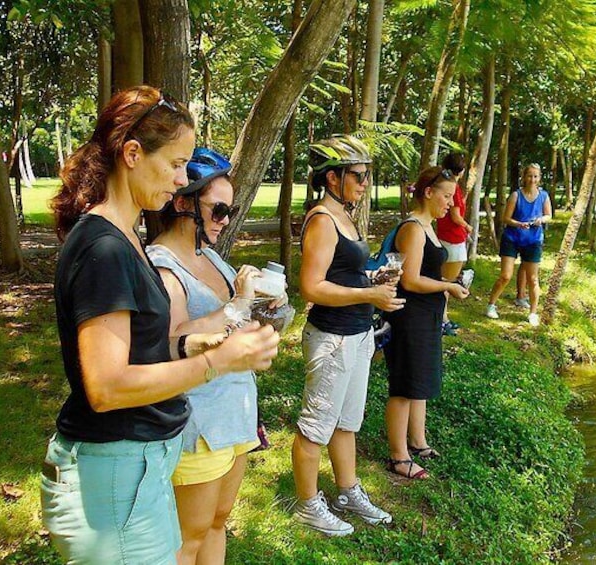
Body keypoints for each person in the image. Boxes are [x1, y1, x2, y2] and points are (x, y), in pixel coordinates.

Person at [42, 86, 280, 564]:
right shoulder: (105, 247)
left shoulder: (125, 237)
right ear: (132, 154)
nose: (180, 180)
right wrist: (216, 362)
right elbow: (107, 387)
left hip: (135, 469)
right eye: (175, 164)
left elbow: (140, 349)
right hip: (113, 477)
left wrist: (193, 343)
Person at [146, 148, 283, 565]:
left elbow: (233, 319)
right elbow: (172, 341)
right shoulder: (163, 265)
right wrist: (237, 306)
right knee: (188, 537)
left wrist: (265, 306)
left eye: (231, 209)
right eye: (218, 209)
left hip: (235, 412)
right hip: (198, 421)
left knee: (219, 521)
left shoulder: (211, 256)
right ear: (183, 203)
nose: (225, 220)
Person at [292, 135, 404, 536]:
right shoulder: (322, 219)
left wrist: (372, 280)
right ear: (333, 177)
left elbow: (343, 272)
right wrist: (368, 293)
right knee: (315, 426)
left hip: (358, 334)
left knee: (346, 423)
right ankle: (307, 504)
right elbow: (311, 286)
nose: (364, 184)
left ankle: (347, 491)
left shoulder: (345, 214)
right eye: (358, 176)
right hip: (332, 336)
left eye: (366, 176)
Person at [383, 166, 469, 479]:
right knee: (405, 386)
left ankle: (417, 442)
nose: (451, 203)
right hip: (410, 316)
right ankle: (398, 456)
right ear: (428, 193)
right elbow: (412, 280)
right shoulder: (413, 228)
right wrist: (448, 285)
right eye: (447, 196)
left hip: (427, 315)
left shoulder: (430, 227)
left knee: (418, 382)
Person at [485, 163, 552, 326]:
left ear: (539, 178)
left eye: (536, 176)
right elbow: (505, 218)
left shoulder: (544, 196)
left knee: (533, 279)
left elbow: (548, 215)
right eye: (530, 176)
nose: (532, 179)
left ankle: (533, 313)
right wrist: (518, 224)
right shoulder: (516, 195)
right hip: (512, 238)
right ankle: (491, 305)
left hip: (533, 240)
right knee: (505, 276)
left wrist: (541, 220)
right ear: (524, 177)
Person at [435, 153, 472, 336]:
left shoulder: (443, 185)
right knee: (447, 284)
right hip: (454, 239)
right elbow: (456, 217)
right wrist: (468, 226)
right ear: (462, 170)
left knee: (443, 281)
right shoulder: (454, 189)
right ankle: (442, 320)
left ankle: (443, 318)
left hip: (443, 236)